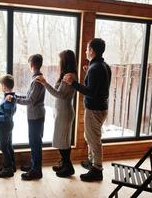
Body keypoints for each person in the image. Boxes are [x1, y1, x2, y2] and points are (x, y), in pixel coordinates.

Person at [63, 38, 111, 182]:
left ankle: (97, 169)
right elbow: (98, 86)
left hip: (95, 109)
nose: (85, 51)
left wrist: (73, 83)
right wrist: (88, 71)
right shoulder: (103, 65)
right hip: (101, 107)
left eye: (87, 48)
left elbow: (91, 91)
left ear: (92, 51)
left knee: (94, 139)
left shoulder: (95, 68)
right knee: (90, 137)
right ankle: (92, 163)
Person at [36, 50, 77, 178]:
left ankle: (68, 167)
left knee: (63, 141)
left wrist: (44, 83)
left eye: (61, 60)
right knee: (61, 140)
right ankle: (64, 164)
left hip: (65, 112)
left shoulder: (69, 76)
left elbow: (59, 94)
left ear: (65, 61)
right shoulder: (66, 75)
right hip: (62, 111)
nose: (59, 62)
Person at [10, 54, 46, 181]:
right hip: (35, 115)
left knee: (35, 143)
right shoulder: (36, 78)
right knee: (34, 142)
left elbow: (30, 100)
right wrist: (17, 97)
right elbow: (28, 97)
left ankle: (37, 171)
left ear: (32, 65)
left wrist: (15, 100)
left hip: (36, 115)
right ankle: (33, 165)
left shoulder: (37, 81)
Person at [0, 74, 17, 178]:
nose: (1, 87)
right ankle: (12, 165)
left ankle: (8, 169)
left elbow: (7, 115)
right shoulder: (11, 96)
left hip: (5, 125)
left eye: (1, 85)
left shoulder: (8, 98)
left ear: (4, 86)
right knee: (8, 145)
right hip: (8, 125)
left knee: (4, 147)